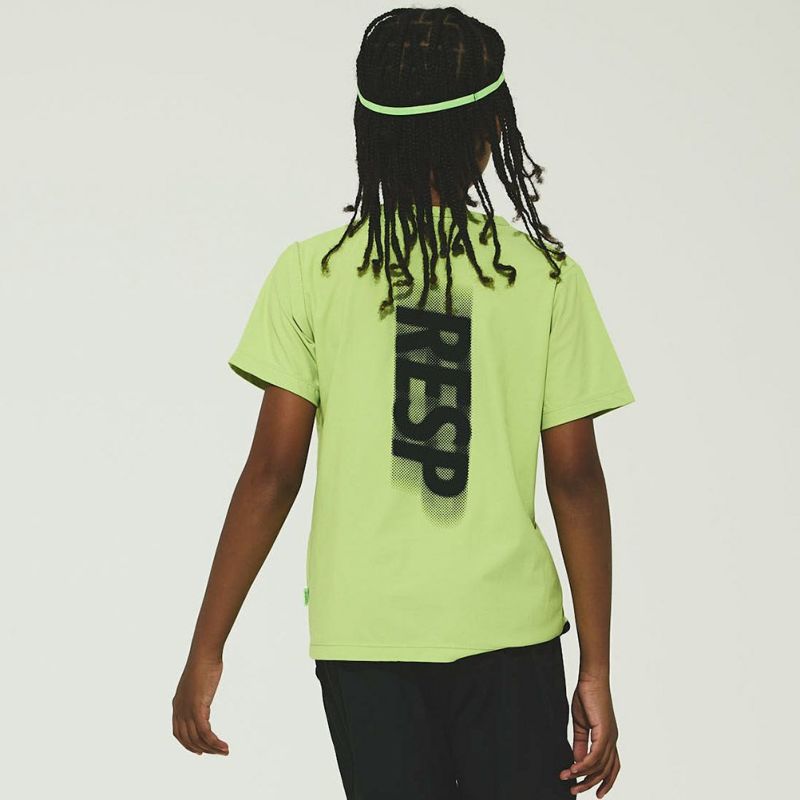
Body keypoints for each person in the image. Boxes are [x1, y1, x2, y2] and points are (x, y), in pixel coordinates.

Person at [172, 7, 635, 799]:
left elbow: (272, 472)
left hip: (365, 637)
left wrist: (206, 647)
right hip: (507, 630)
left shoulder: (312, 273)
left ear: (370, 129)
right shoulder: (544, 276)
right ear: (491, 130)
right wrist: (595, 665)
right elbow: (575, 477)